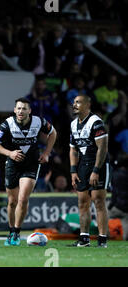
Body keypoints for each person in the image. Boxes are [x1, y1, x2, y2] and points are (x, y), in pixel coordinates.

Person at [0, 97, 57, 246]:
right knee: (12, 201)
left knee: (23, 198)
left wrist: (46, 153)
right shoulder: (7, 123)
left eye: (24, 108)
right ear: (15, 110)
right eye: (18, 108)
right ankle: (11, 230)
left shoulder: (38, 121)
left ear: (29, 111)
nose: (21, 111)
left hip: (31, 164)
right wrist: (10, 153)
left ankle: (16, 233)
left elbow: (53, 133)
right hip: (12, 164)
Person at [69, 94, 111, 247]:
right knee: (82, 202)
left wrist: (95, 170)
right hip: (82, 166)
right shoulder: (73, 124)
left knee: (98, 201)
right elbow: (73, 150)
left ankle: (102, 240)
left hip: (98, 165)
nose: (74, 105)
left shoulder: (96, 122)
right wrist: (73, 171)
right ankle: (84, 238)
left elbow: (102, 148)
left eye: (78, 102)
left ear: (88, 105)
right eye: (74, 102)